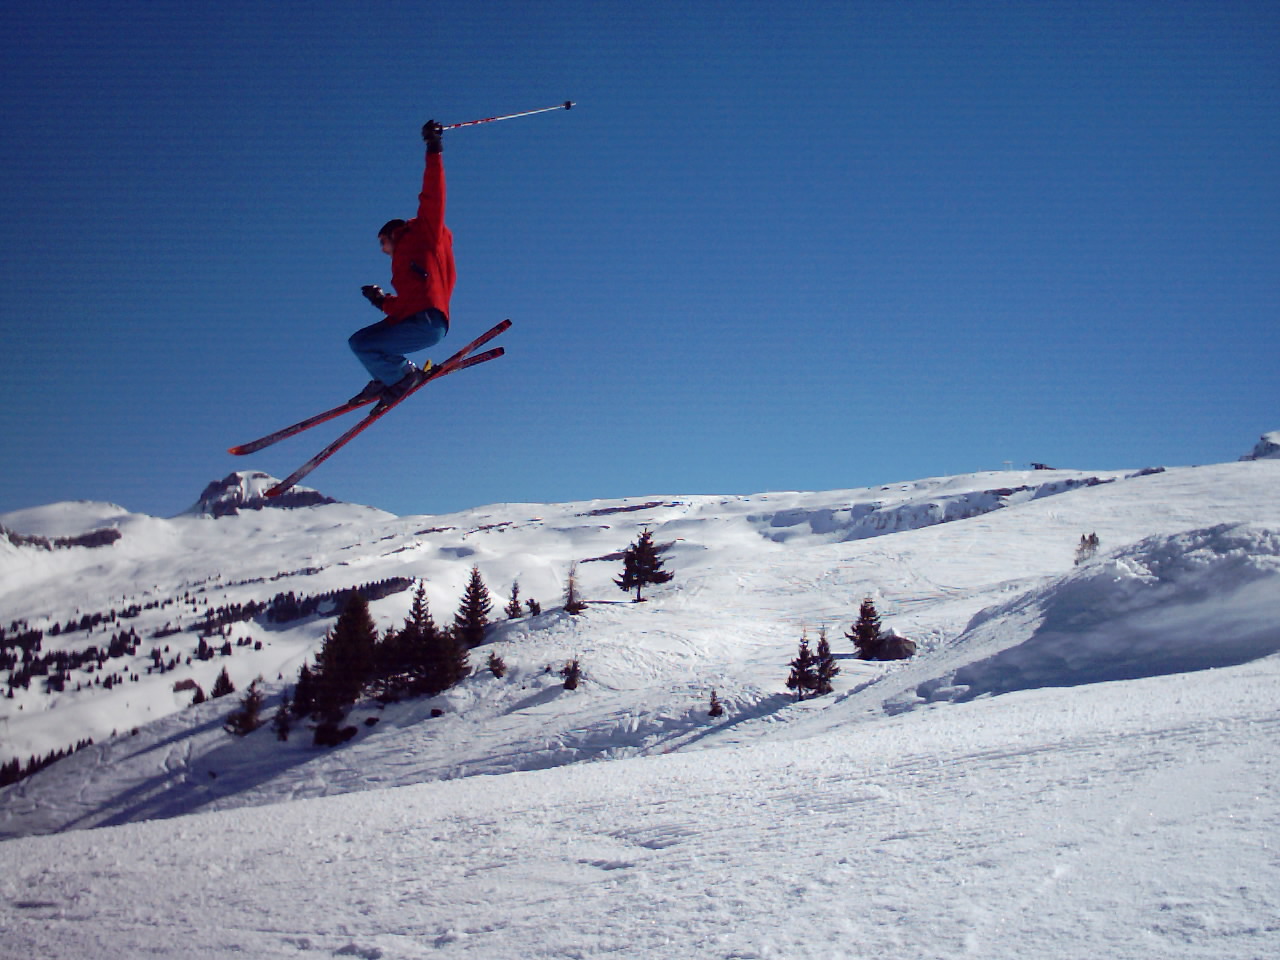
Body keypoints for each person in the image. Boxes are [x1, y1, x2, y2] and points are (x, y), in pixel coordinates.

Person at [348, 119, 456, 409]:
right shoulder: (405, 269)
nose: (383, 251)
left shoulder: (423, 234)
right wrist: (380, 300)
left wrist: (434, 148)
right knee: (360, 341)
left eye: (382, 243)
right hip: (416, 319)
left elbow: (434, 195)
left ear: (390, 234)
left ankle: (403, 376)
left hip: (429, 321)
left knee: (367, 345)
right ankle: (389, 377)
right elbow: (405, 306)